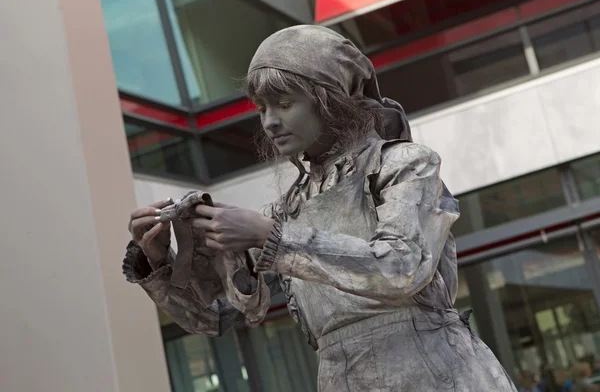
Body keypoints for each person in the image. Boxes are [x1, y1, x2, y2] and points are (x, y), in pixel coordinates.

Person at [123, 25, 517, 391]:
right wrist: (159, 261)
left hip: (438, 374)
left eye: (284, 103)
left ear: (329, 101)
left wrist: (270, 237)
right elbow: (215, 317)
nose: (271, 122)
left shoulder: (403, 164)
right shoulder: (285, 211)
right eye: (262, 109)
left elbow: (403, 267)